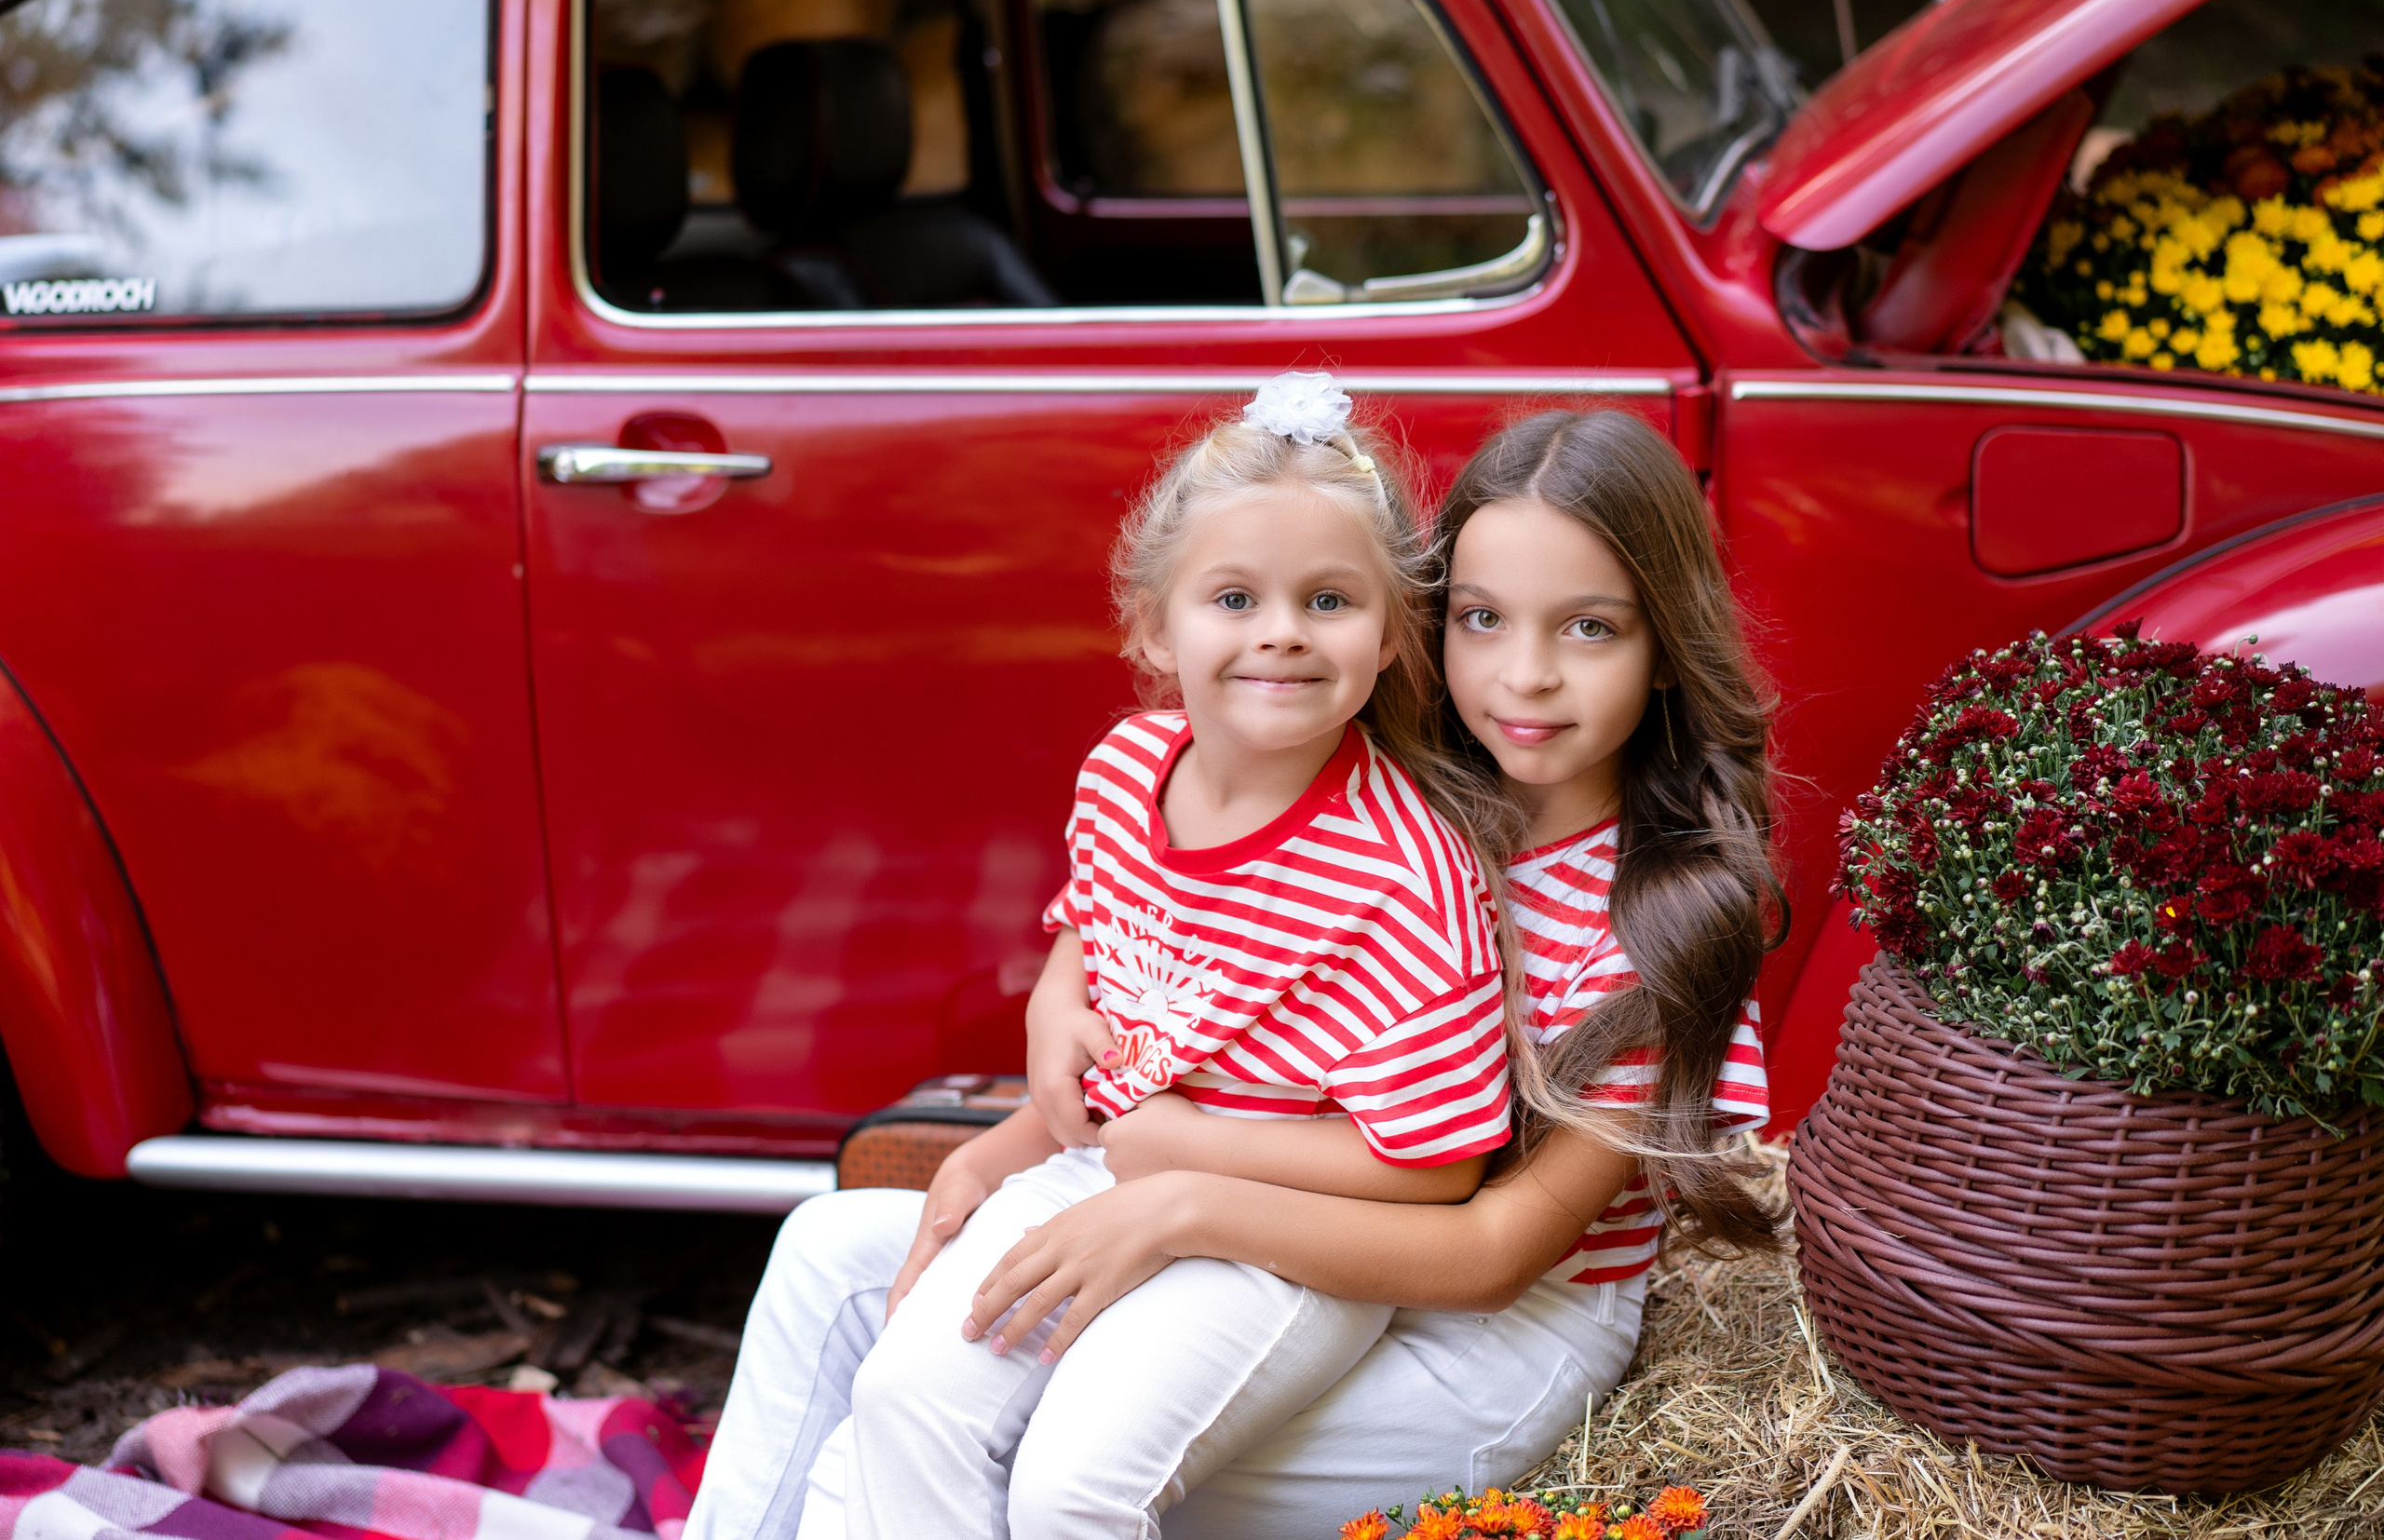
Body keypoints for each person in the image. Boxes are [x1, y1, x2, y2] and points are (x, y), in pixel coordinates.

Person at [681, 405, 1781, 1540]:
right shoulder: (1369, 765)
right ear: (1422, 620)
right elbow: (1162, 923)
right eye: (1482, 619)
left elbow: (1488, 1248)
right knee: (834, 1265)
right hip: (1246, 1219)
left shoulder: (1654, 917)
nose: (1527, 675)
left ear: (1664, 647)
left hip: (1475, 1325)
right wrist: (1041, 1062)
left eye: (1590, 629)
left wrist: (1180, 1201)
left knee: (987, 1450)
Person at [845, 371, 1517, 1539]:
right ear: (1154, 624)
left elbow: (1435, 1169)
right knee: (904, 1395)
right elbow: (1097, 923)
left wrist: (1189, 1152)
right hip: (1114, 1173)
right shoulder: (1122, 768)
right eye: (1233, 597)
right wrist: (1056, 1000)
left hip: (1288, 1251)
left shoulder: (1407, 874)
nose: (1279, 633)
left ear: (1393, 633)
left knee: (1075, 1488)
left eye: (1326, 601)